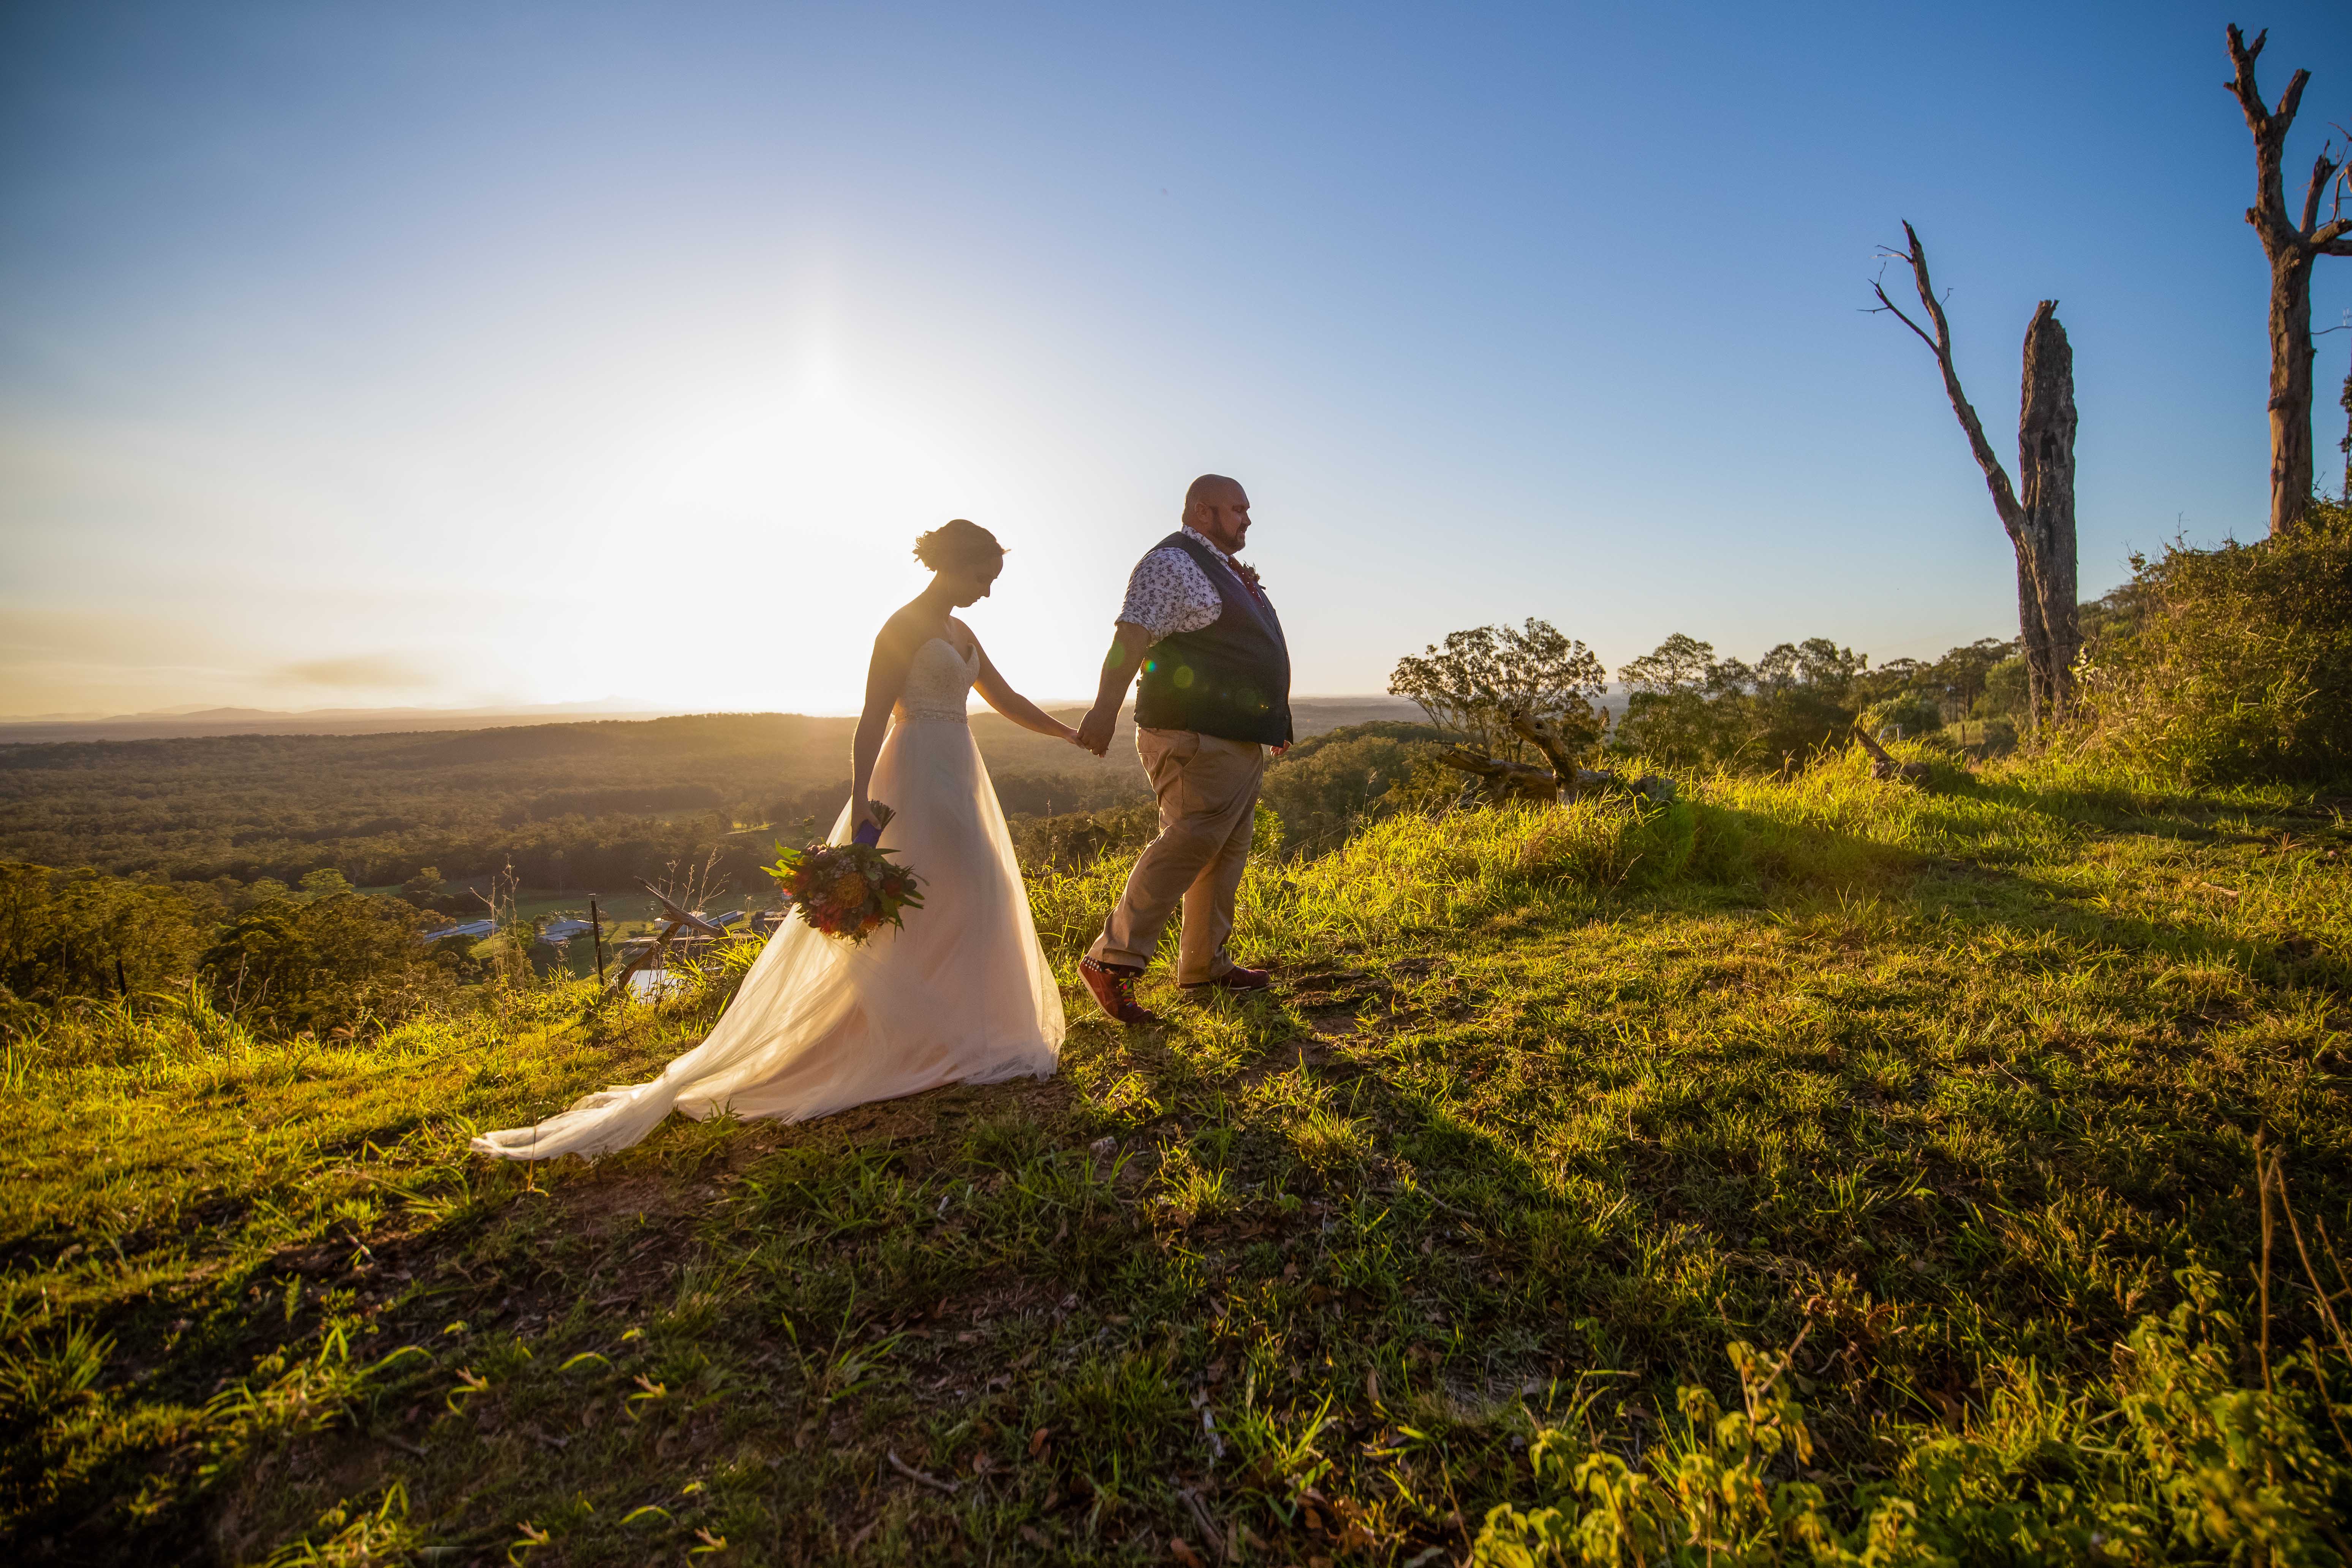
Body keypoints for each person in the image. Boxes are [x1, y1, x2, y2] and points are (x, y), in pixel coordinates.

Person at [474, 520, 1071, 1160]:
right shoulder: (900, 628)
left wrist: (1069, 734)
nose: (987, 592)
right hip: (916, 774)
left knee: (980, 895)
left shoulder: (963, 631)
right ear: (955, 564)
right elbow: (869, 718)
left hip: (961, 773)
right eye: (983, 577)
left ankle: (963, 1028)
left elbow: (1004, 697)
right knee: (928, 903)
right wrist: (864, 797)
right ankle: (914, 1035)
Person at [1074, 475, 1290, 1025]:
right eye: (1237, 508)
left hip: (1233, 739)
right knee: (1188, 844)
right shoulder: (1171, 563)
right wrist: (1104, 711)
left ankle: (1204, 966)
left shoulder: (1219, 567)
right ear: (1201, 510)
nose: (1247, 518)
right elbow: (1132, 638)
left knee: (1225, 852)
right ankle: (1112, 959)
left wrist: (1273, 721)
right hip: (1193, 735)